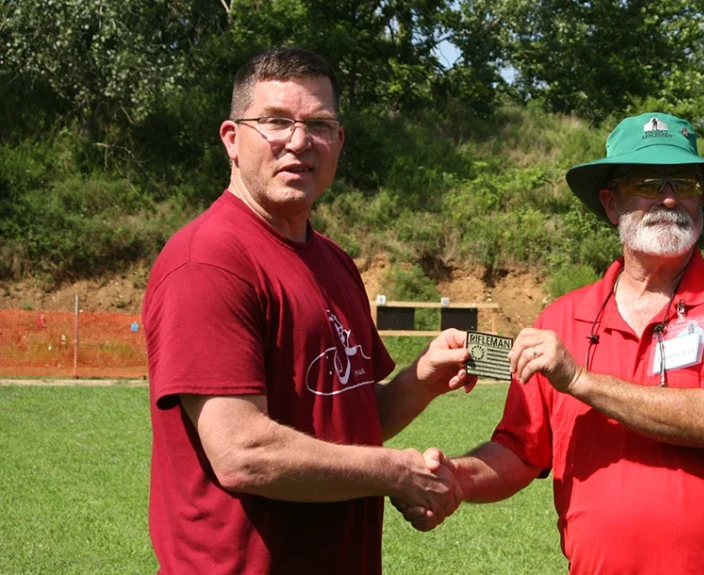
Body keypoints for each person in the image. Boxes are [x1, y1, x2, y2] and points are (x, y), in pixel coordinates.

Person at [394, 113, 704, 574]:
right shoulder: (561, 318)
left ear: (702, 199)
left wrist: (579, 380)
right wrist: (456, 478)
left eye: (685, 184)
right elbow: (520, 451)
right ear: (611, 203)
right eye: (648, 183)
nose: (670, 198)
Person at [143, 47, 473, 574]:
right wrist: (397, 472)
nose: (299, 141)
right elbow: (243, 453)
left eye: (319, 124)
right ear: (232, 138)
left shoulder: (334, 262)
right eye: (276, 121)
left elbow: (349, 421)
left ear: (339, 142)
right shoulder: (208, 261)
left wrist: (422, 380)